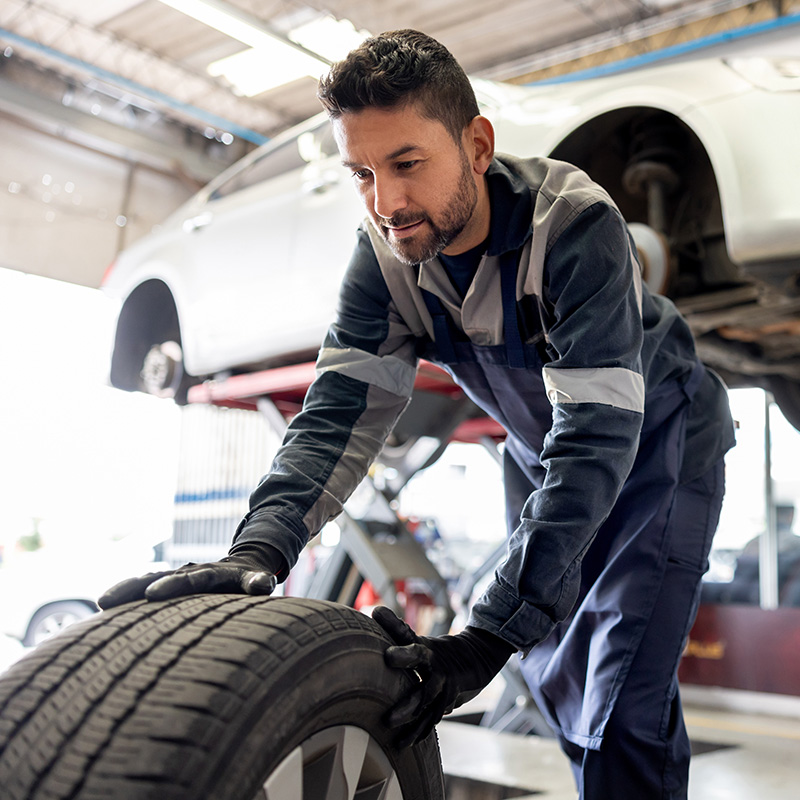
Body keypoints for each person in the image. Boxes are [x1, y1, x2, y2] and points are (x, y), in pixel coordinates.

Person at [100, 30, 736, 799]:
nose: (386, 202)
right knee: (555, 680)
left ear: (476, 144)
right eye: (362, 172)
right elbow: (338, 413)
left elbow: (599, 436)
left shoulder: (570, 227)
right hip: (544, 454)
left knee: (621, 700)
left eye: (407, 163)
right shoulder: (386, 257)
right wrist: (259, 550)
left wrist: (486, 633)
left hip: (660, 448)